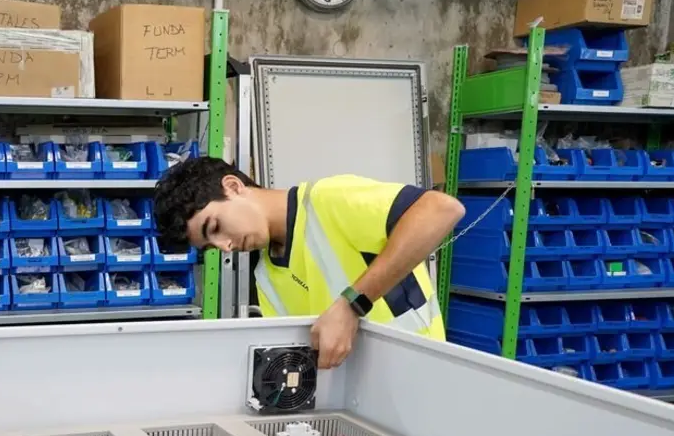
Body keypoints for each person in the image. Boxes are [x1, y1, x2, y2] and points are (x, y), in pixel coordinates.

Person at [153, 157, 465, 369]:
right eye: (211, 246)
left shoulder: (326, 200)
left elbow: (442, 209)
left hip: (421, 376)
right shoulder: (266, 274)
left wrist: (351, 305)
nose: (225, 246)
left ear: (233, 187)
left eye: (216, 228)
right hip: (356, 408)